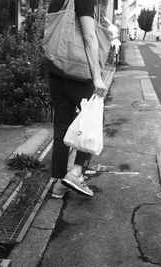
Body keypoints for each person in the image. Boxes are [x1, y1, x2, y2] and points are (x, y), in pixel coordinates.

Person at [48, 0, 108, 198]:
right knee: (92, 120)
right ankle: (76, 173)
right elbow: (89, 36)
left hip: (57, 72)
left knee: (61, 127)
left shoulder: (56, 1)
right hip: (79, 74)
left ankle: (58, 184)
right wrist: (98, 77)